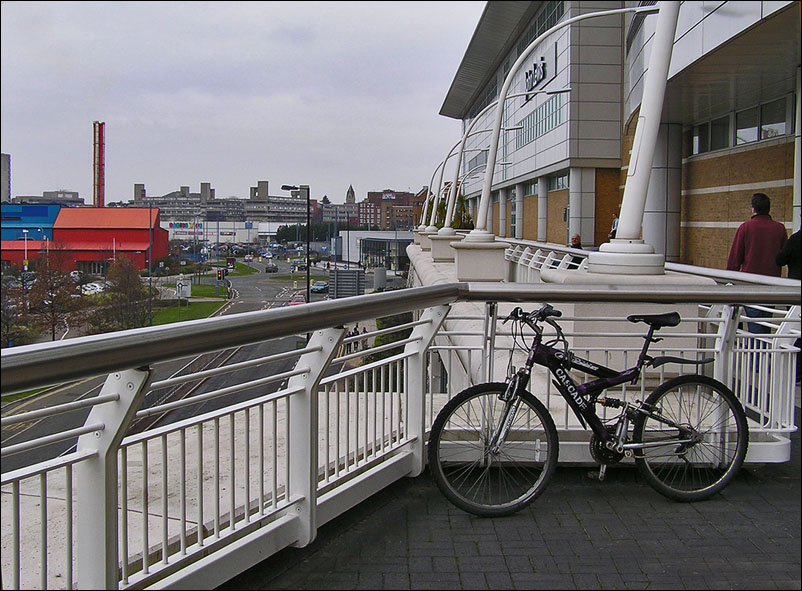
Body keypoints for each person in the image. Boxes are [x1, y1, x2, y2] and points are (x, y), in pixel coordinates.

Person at [726, 192, 788, 334]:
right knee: (765, 323)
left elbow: (735, 258)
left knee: (755, 326)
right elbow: (783, 257)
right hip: (771, 285)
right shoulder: (779, 228)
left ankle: (757, 355)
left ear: (753, 209)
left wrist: (730, 280)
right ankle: (762, 353)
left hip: (750, 284)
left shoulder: (745, 227)